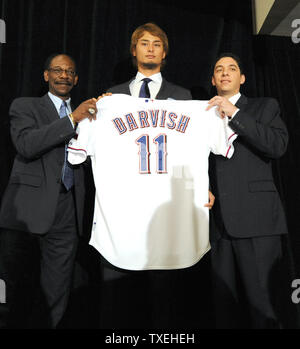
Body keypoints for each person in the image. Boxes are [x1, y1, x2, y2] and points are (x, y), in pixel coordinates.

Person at [91, 22, 213, 329]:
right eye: (144, 43)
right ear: (134, 52)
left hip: (167, 216)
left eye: (156, 44)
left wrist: (204, 185)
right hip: (124, 214)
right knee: (121, 297)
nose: (150, 48)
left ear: (165, 53)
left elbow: (199, 148)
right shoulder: (110, 99)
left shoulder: (185, 98)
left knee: (166, 297)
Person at [0, 53, 97, 328]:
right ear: (46, 76)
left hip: (68, 211)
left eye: (69, 71)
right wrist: (71, 121)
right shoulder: (25, 106)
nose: (63, 75)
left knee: (58, 291)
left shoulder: (91, 116)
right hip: (26, 212)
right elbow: (27, 145)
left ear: (76, 79)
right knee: (15, 289)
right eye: (57, 70)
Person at [207, 52, 292, 328]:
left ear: (242, 78)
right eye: (219, 69)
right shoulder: (202, 114)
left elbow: (277, 146)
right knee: (223, 309)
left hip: (257, 222)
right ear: (213, 79)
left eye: (232, 68)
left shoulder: (264, 106)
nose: (225, 73)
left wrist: (234, 114)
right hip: (219, 226)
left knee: (263, 307)